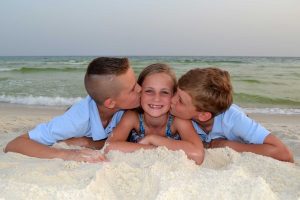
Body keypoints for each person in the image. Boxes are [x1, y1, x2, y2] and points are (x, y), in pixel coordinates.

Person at [4, 57, 141, 163]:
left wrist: (87, 142)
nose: (140, 89)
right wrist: (66, 154)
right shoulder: (76, 120)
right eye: (133, 88)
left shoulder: (127, 107)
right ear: (111, 103)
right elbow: (14, 144)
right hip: (76, 115)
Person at [170, 67, 294, 163]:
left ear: (203, 116)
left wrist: (225, 145)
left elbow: (284, 154)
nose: (172, 99)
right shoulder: (181, 114)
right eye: (175, 92)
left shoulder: (233, 120)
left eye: (180, 100)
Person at [105, 63, 204, 165]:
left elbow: (198, 155)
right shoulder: (132, 117)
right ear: (140, 92)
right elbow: (109, 147)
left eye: (164, 92)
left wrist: (152, 138)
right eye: (149, 91)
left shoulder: (178, 120)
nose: (156, 98)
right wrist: (155, 148)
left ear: (174, 95)